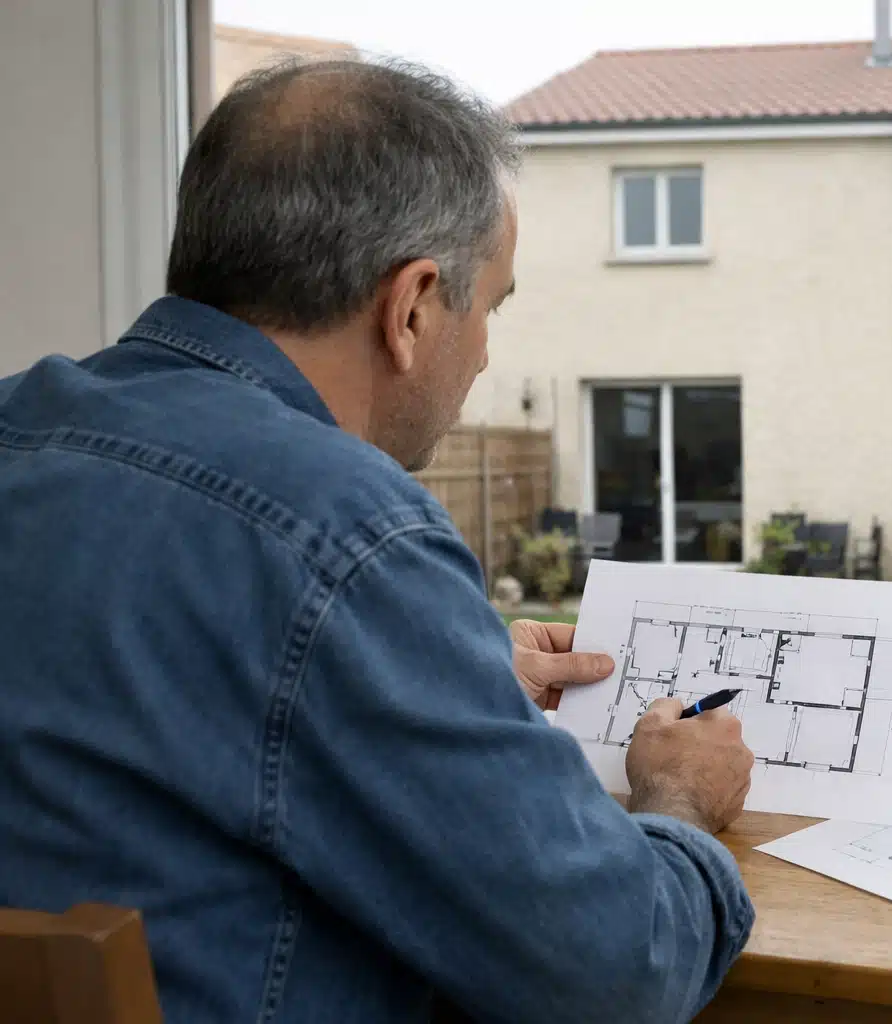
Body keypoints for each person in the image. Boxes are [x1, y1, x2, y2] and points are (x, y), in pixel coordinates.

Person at [0, 54, 756, 1023]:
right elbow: (616, 973)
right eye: (489, 306)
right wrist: (681, 800)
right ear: (410, 309)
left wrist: (442, 677)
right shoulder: (346, 532)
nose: (483, 352)